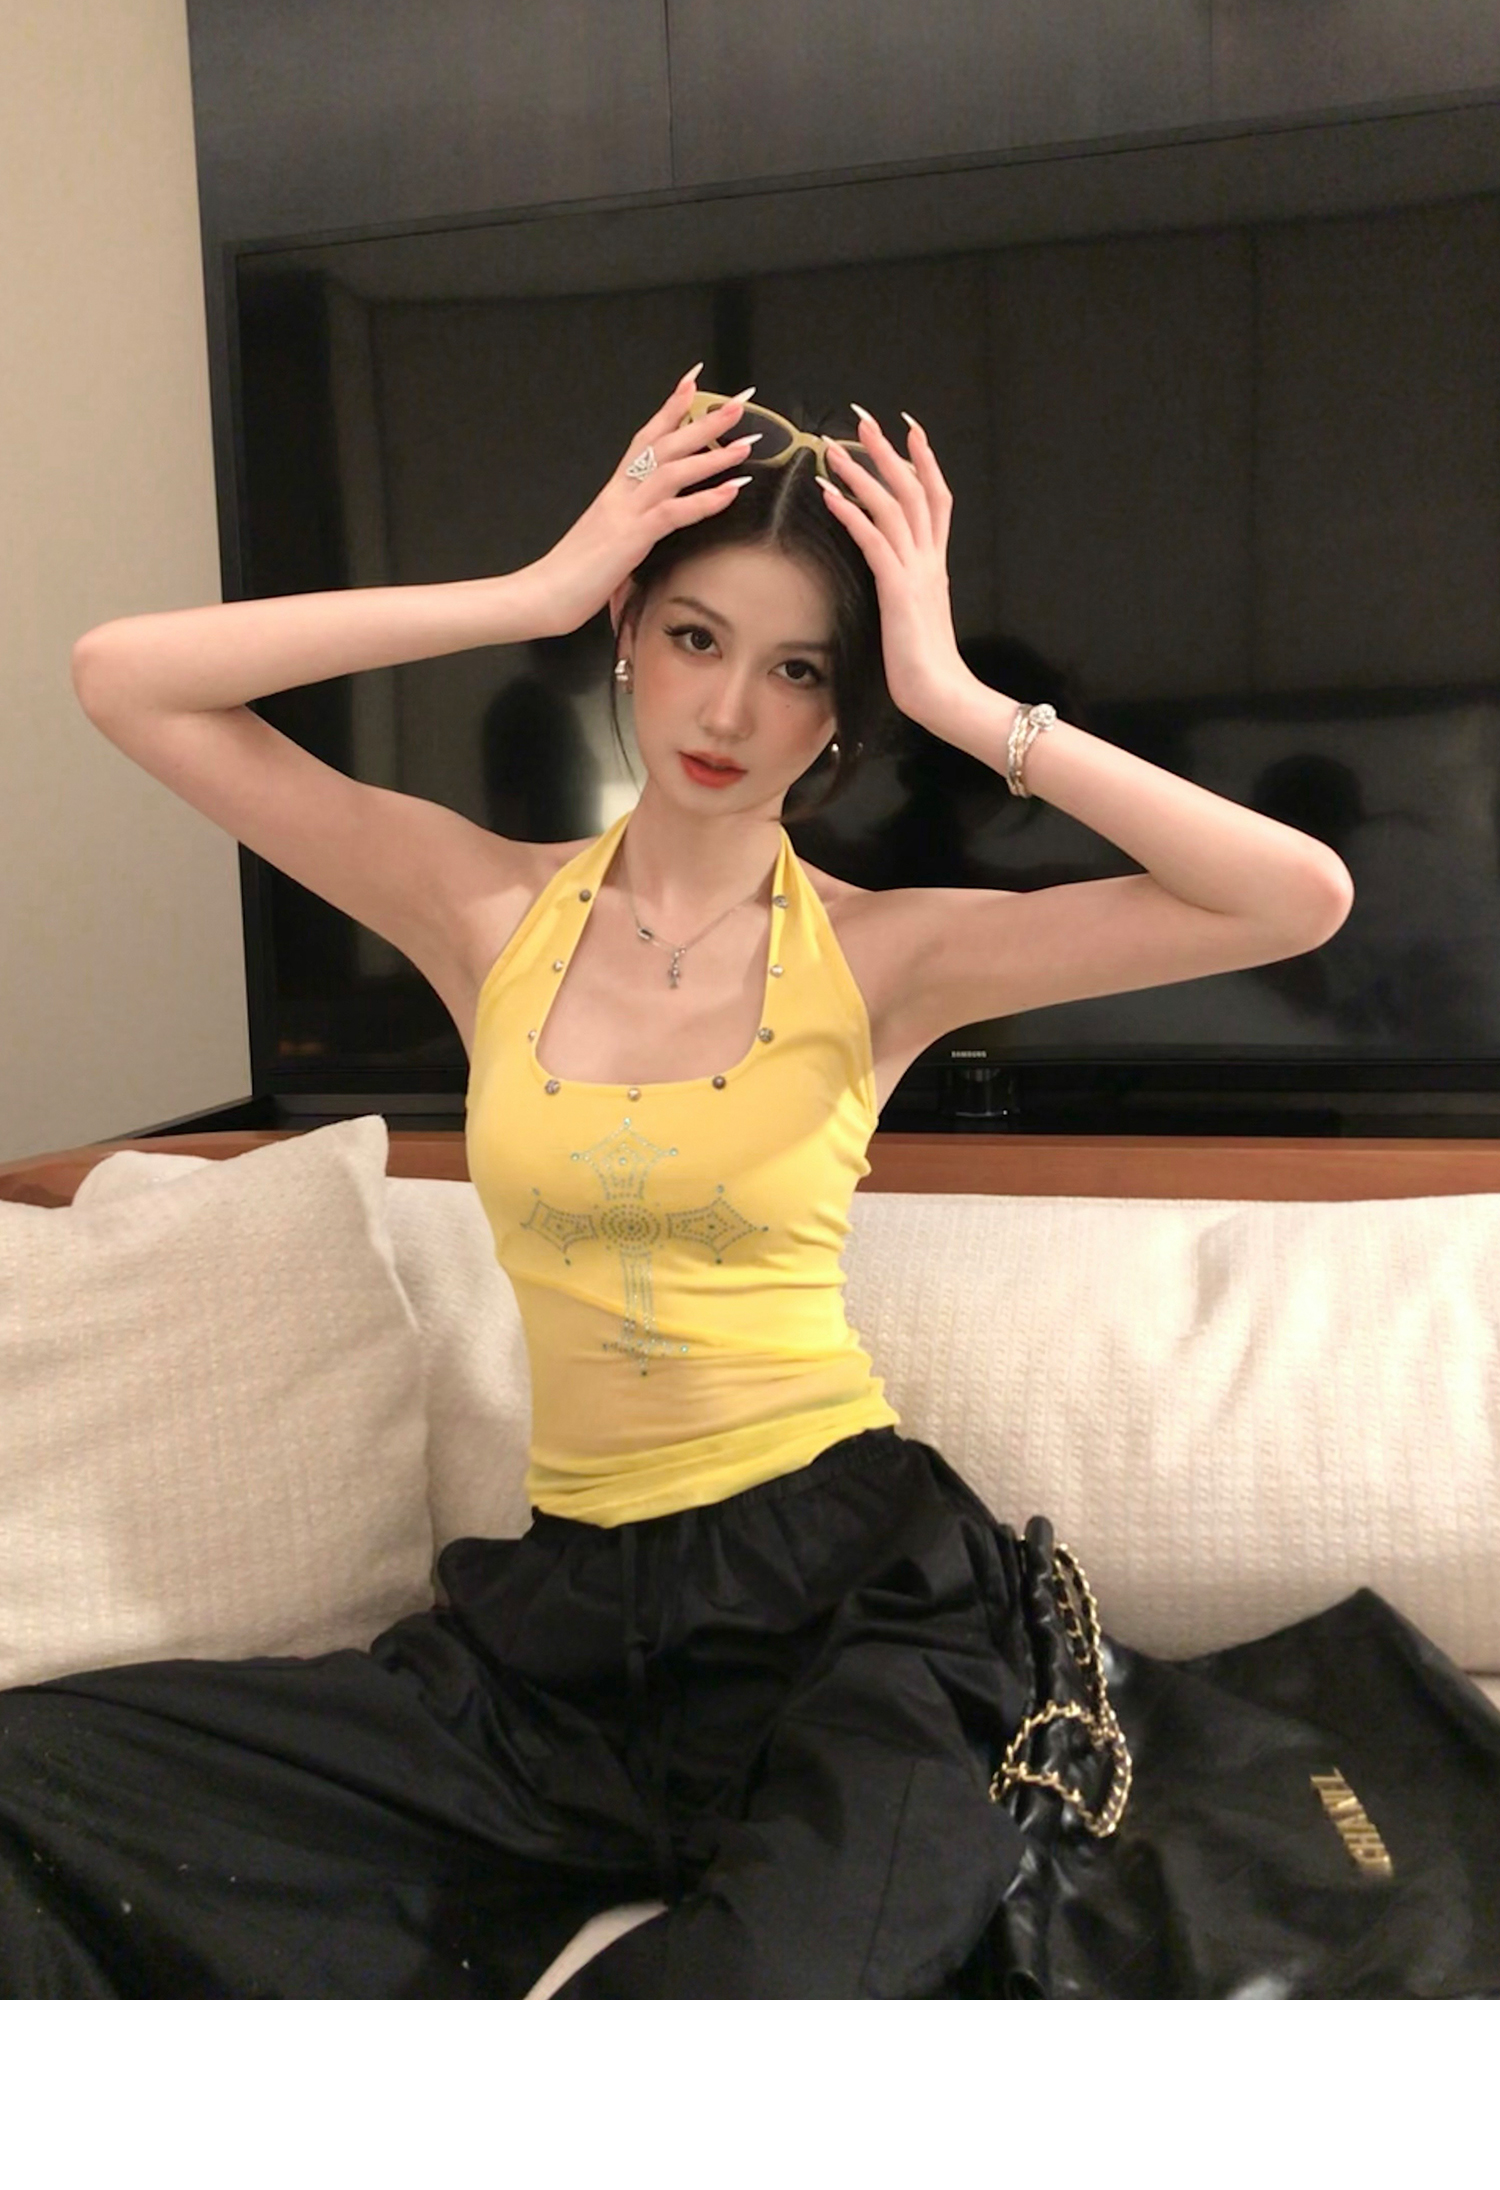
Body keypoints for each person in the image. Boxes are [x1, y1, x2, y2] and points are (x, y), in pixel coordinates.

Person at [1, 371, 1045, 1997]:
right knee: (30, 1776)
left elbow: (1290, 897)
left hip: (845, 1602)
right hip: (556, 1645)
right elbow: (120, 678)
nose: (727, 711)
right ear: (629, 631)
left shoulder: (884, 952)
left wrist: (957, 693)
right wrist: (533, 591)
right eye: (694, 637)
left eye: (796, 671)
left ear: (840, 711)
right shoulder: (484, 909)